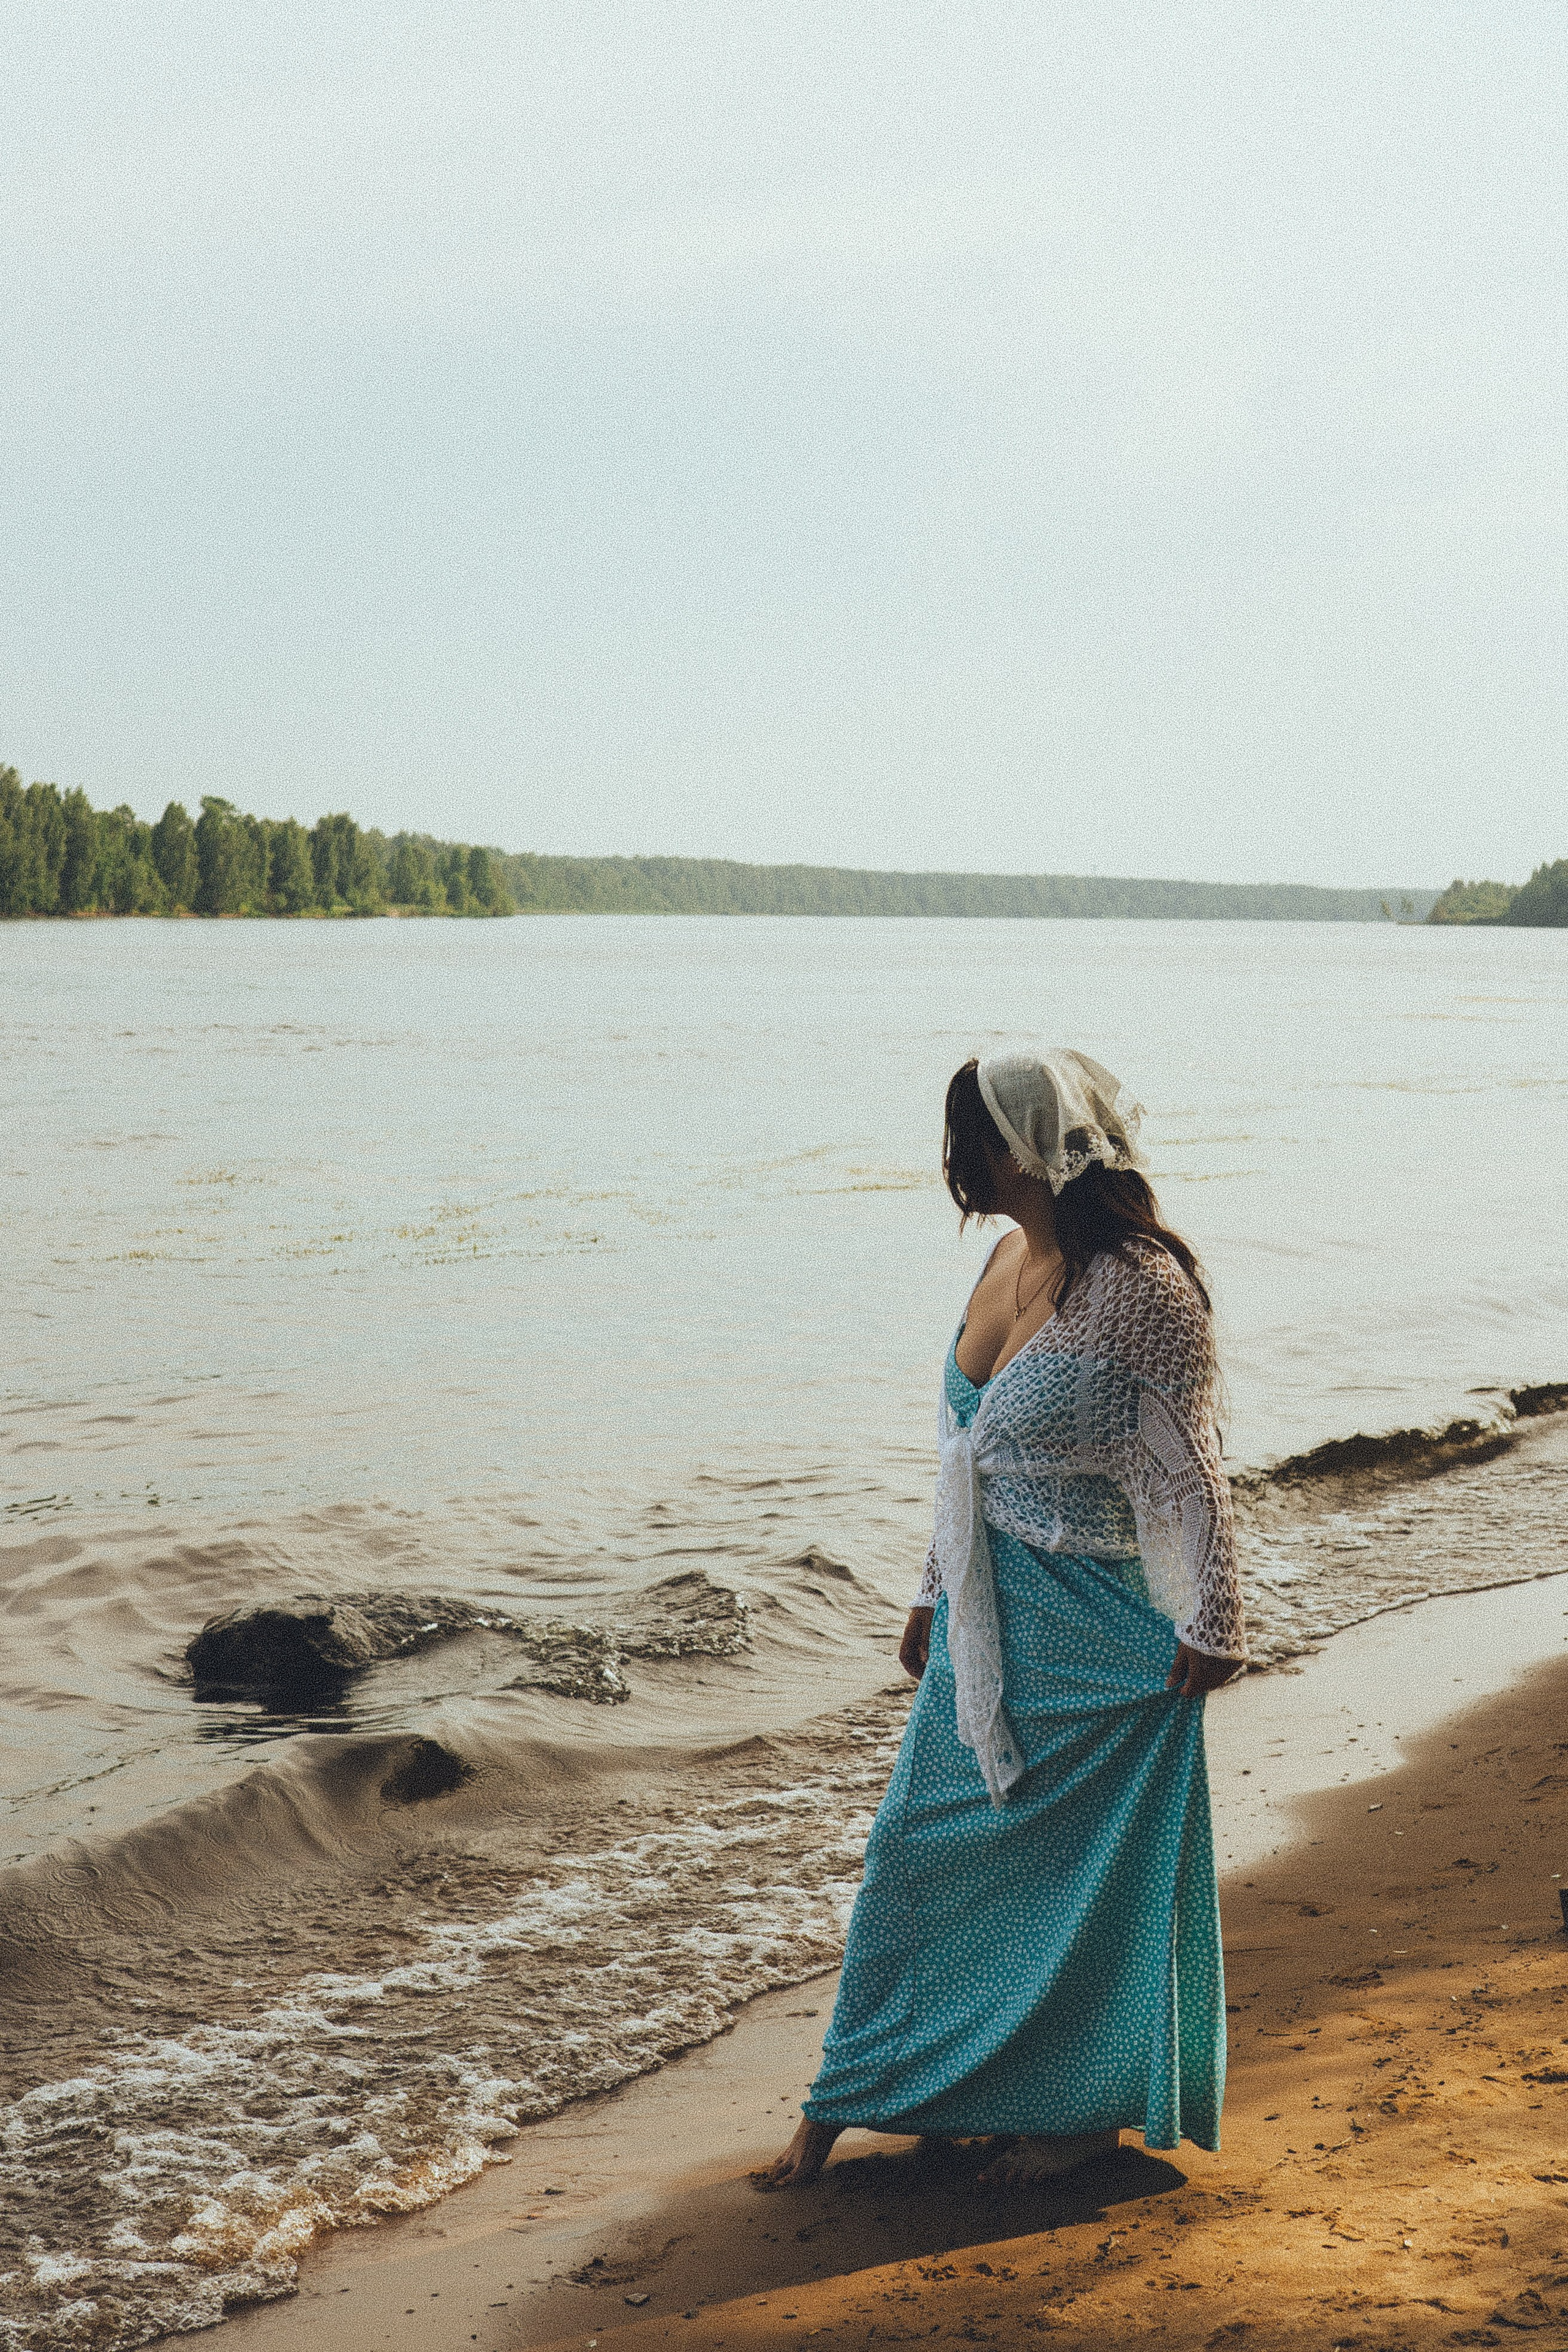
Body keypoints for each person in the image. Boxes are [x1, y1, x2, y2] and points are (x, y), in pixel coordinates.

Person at [756, 1047, 1245, 2193]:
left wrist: (1214, 1621)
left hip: (1097, 1633)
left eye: (969, 1140)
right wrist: (929, 1593)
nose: (954, 1165)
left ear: (1028, 1145)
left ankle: (1067, 2116)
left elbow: (1193, 1472)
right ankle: (876, 2098)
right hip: (987, 1622)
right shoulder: (1002, 1264)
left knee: (1079, 1878)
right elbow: (963, 1461)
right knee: (921, 1859)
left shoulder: (1142, 1288)